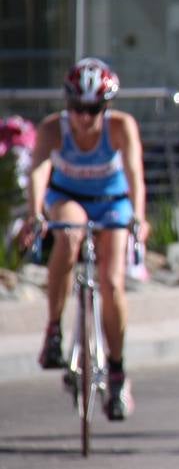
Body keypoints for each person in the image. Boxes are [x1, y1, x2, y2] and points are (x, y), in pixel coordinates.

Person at [18, 58, 151, 420]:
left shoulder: (122, 127)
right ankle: (54, 331)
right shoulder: (53, 129)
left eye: (93, 109)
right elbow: (40, 170)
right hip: (69, 198)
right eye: (76, 107)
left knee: (111, 283)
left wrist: (139, 217)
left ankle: (118, 371)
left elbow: (136, 173)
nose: (84, 116)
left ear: (105, 107)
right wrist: (35, 213)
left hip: (113, 204)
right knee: (70, 235)